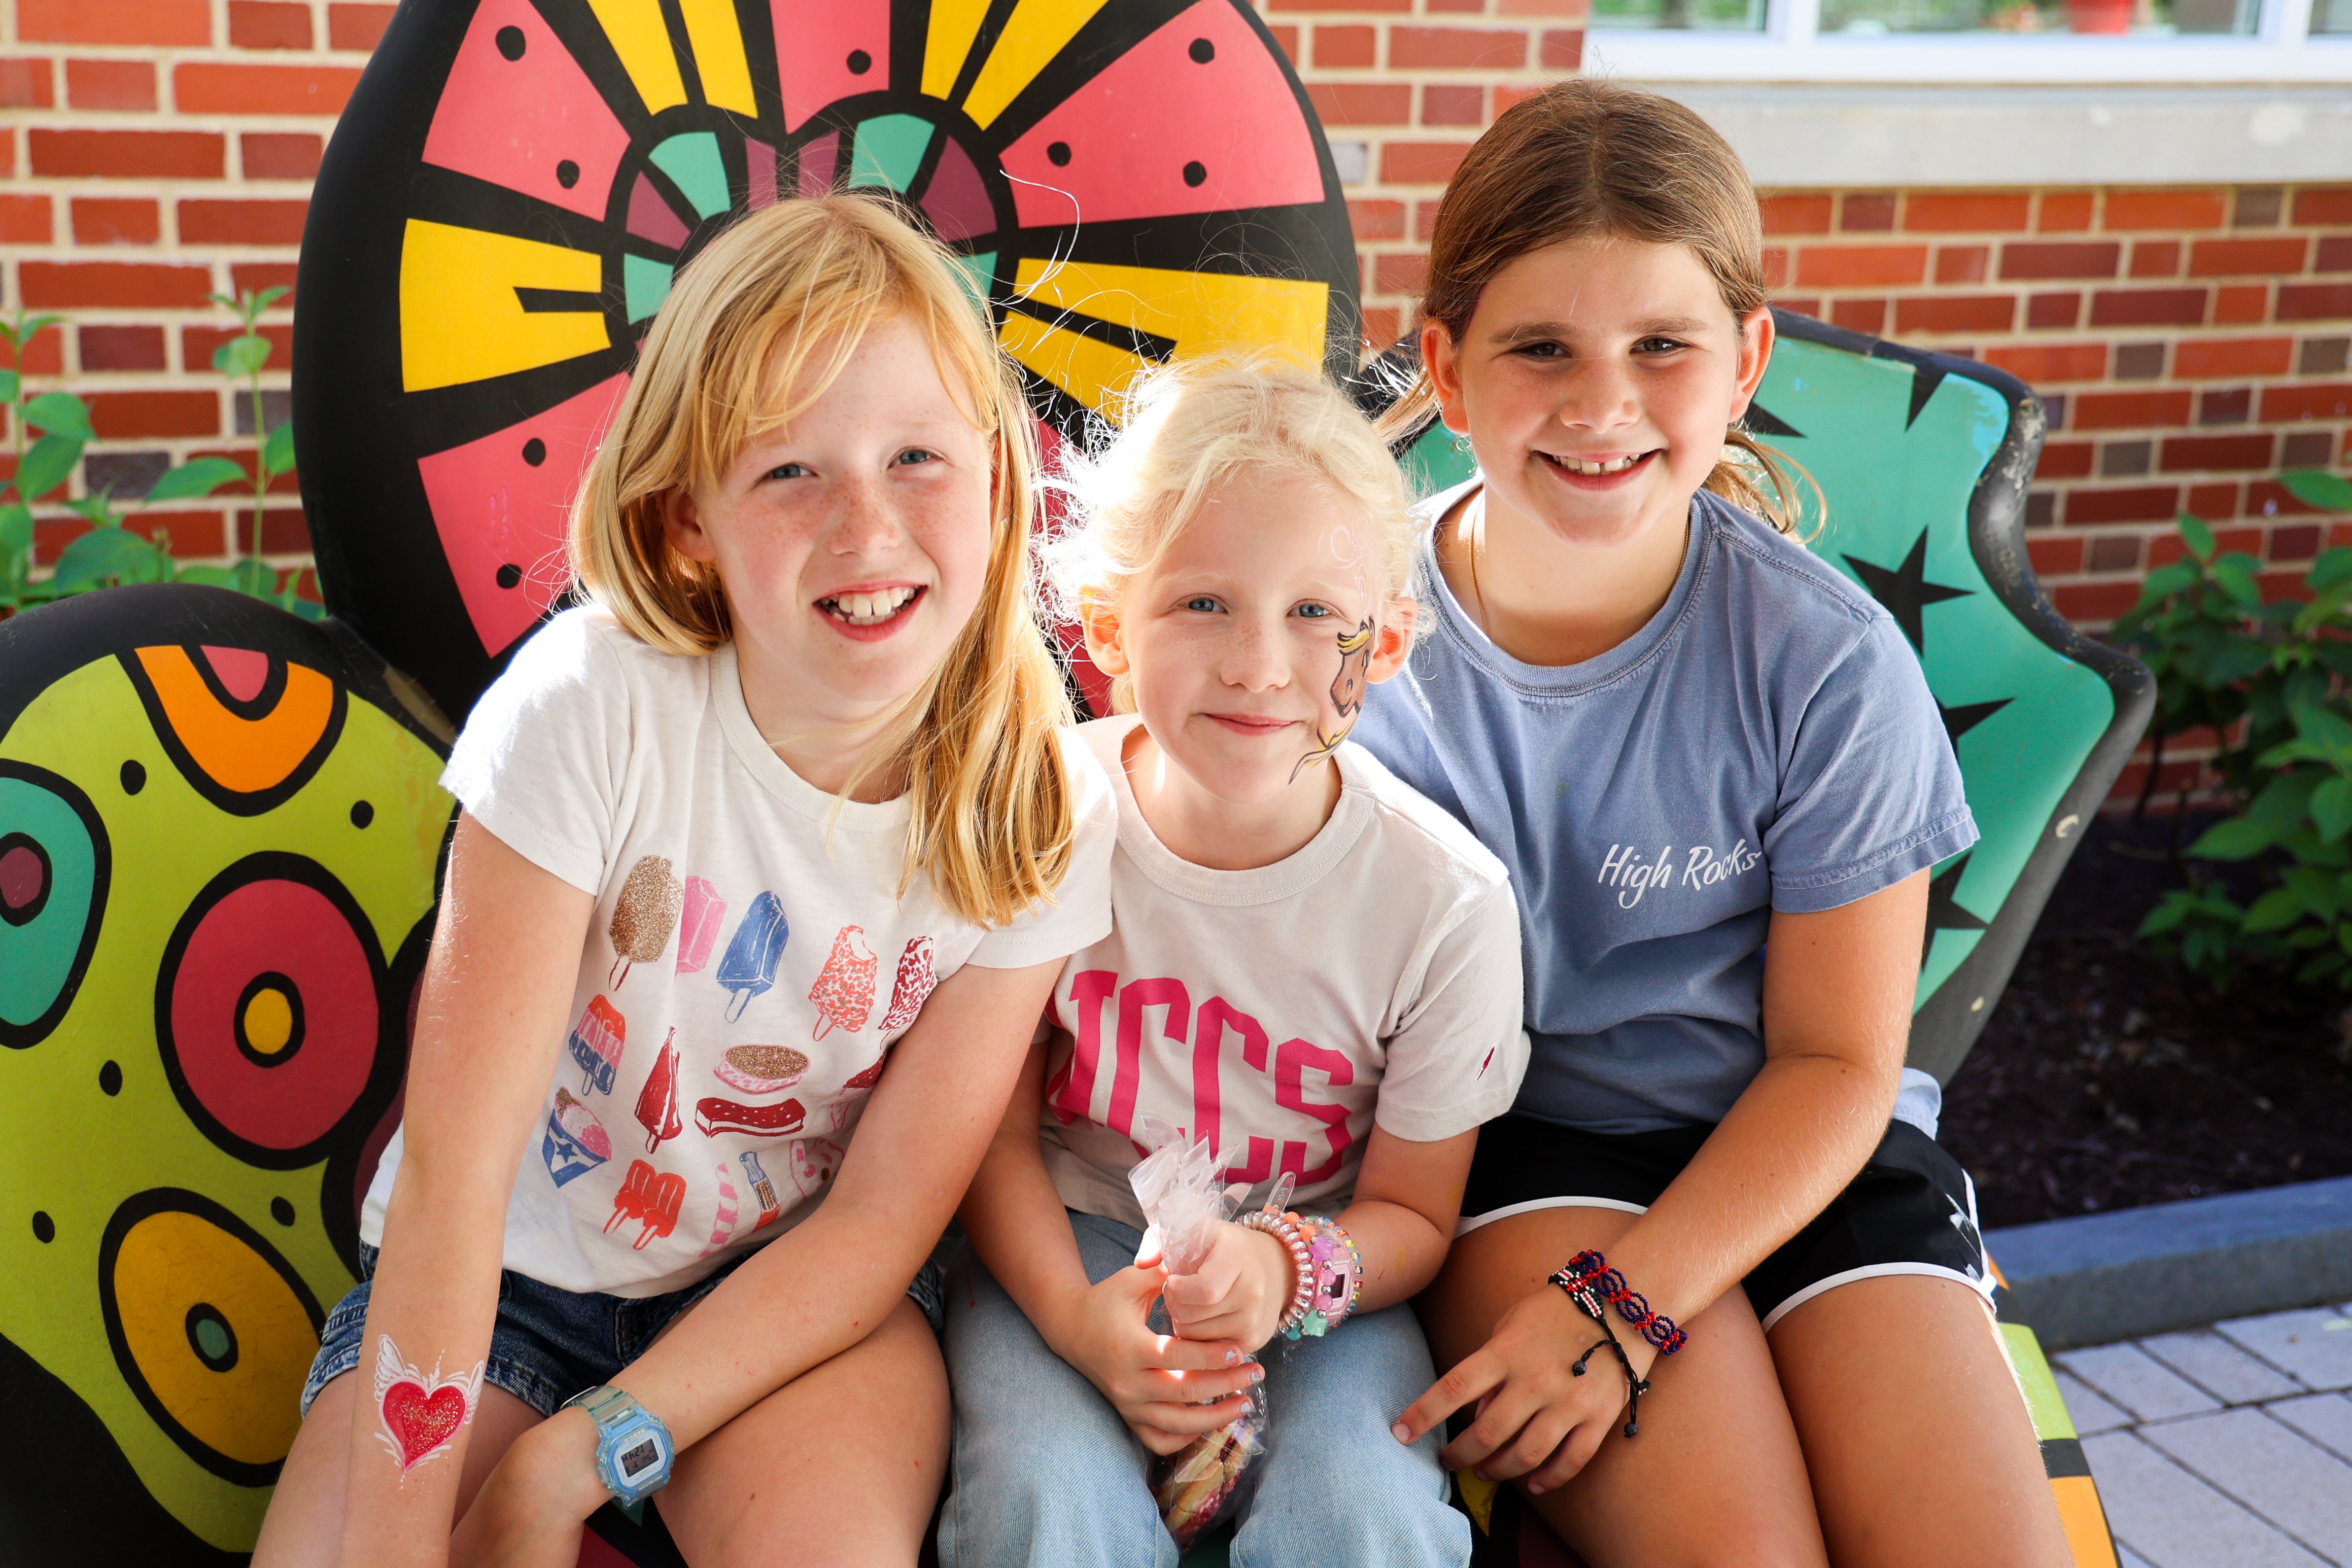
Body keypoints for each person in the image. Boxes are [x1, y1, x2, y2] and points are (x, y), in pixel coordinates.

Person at [252, 195, 1116, 1568]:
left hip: (787, 1304)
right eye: (789, 473)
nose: (867, 526)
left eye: (916, 457)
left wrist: (573, 1461)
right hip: (508, 1280)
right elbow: (455, 1185)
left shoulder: (1036, 804)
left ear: (1003, 475)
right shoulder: (590, 709)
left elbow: (883, 1217)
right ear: (688, 519)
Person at [1366, 82, 2073, 1568]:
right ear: (1442, 361)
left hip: (1804, 1146)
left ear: (1744, 360)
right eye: (1540, 346)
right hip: (1523, 1148)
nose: (1601, 403)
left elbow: (1838, 1060)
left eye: (1660, 348)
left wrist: (1634, 1300)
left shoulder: (1821, 658)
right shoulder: (1351, 634)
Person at [937, 361, 1529, 1568]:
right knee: (1040, 1502)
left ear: (1390, 640)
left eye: (1317, 613)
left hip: (1322, 1273)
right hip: (1069, 1236)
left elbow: (1415, 1214)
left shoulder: (1443, 903)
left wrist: (1283, 1270)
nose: (1262, 664)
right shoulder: (1043, 819)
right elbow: (983, 1134)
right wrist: (1073, 1317)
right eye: (1204, 603)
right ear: (1107, 623)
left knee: (1362, 1516)